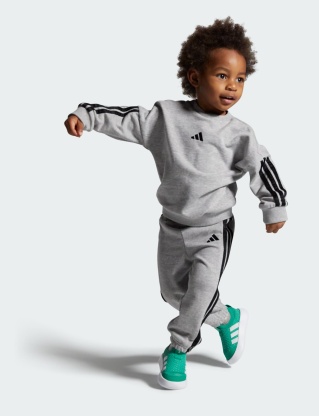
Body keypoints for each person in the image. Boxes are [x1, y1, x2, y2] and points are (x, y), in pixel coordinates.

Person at [64, 16, 288, 390]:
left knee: (199, 291)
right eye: (222, 75)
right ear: (195, 76)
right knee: (174, 294)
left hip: (214, 228)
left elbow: (262, 165)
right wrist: (86, 115)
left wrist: (273, 206)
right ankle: (227, 318)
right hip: (172, 225)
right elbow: (127, 119)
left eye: (240, 79)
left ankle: (179, 347)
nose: (232, 86)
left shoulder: (239, 134)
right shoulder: (167, 119)